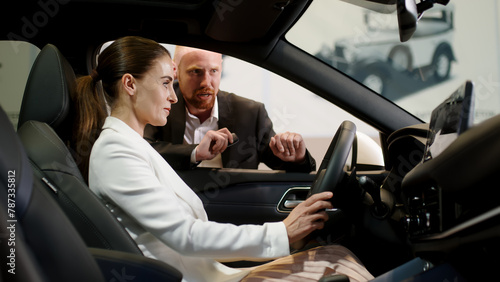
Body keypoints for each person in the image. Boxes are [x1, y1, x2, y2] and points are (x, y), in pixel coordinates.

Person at [74, 36, 373, 282]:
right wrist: (283, 231)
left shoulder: (127, 143)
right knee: (340, 264)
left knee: (336, 256)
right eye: (166, 83)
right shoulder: (116, 151)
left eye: (214, 71)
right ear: (130, 84)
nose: (173, 96)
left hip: (210, 272)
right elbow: (186, 235)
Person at [144, 46, 316, 172]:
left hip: (230, 210)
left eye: (213, 71)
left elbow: (284, 161)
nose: (206, 82)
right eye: (195, 72)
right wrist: (195, 153)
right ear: (176, 71)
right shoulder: (160, 105)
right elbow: (143, 151)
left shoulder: (250, 113)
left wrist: (298, 157)